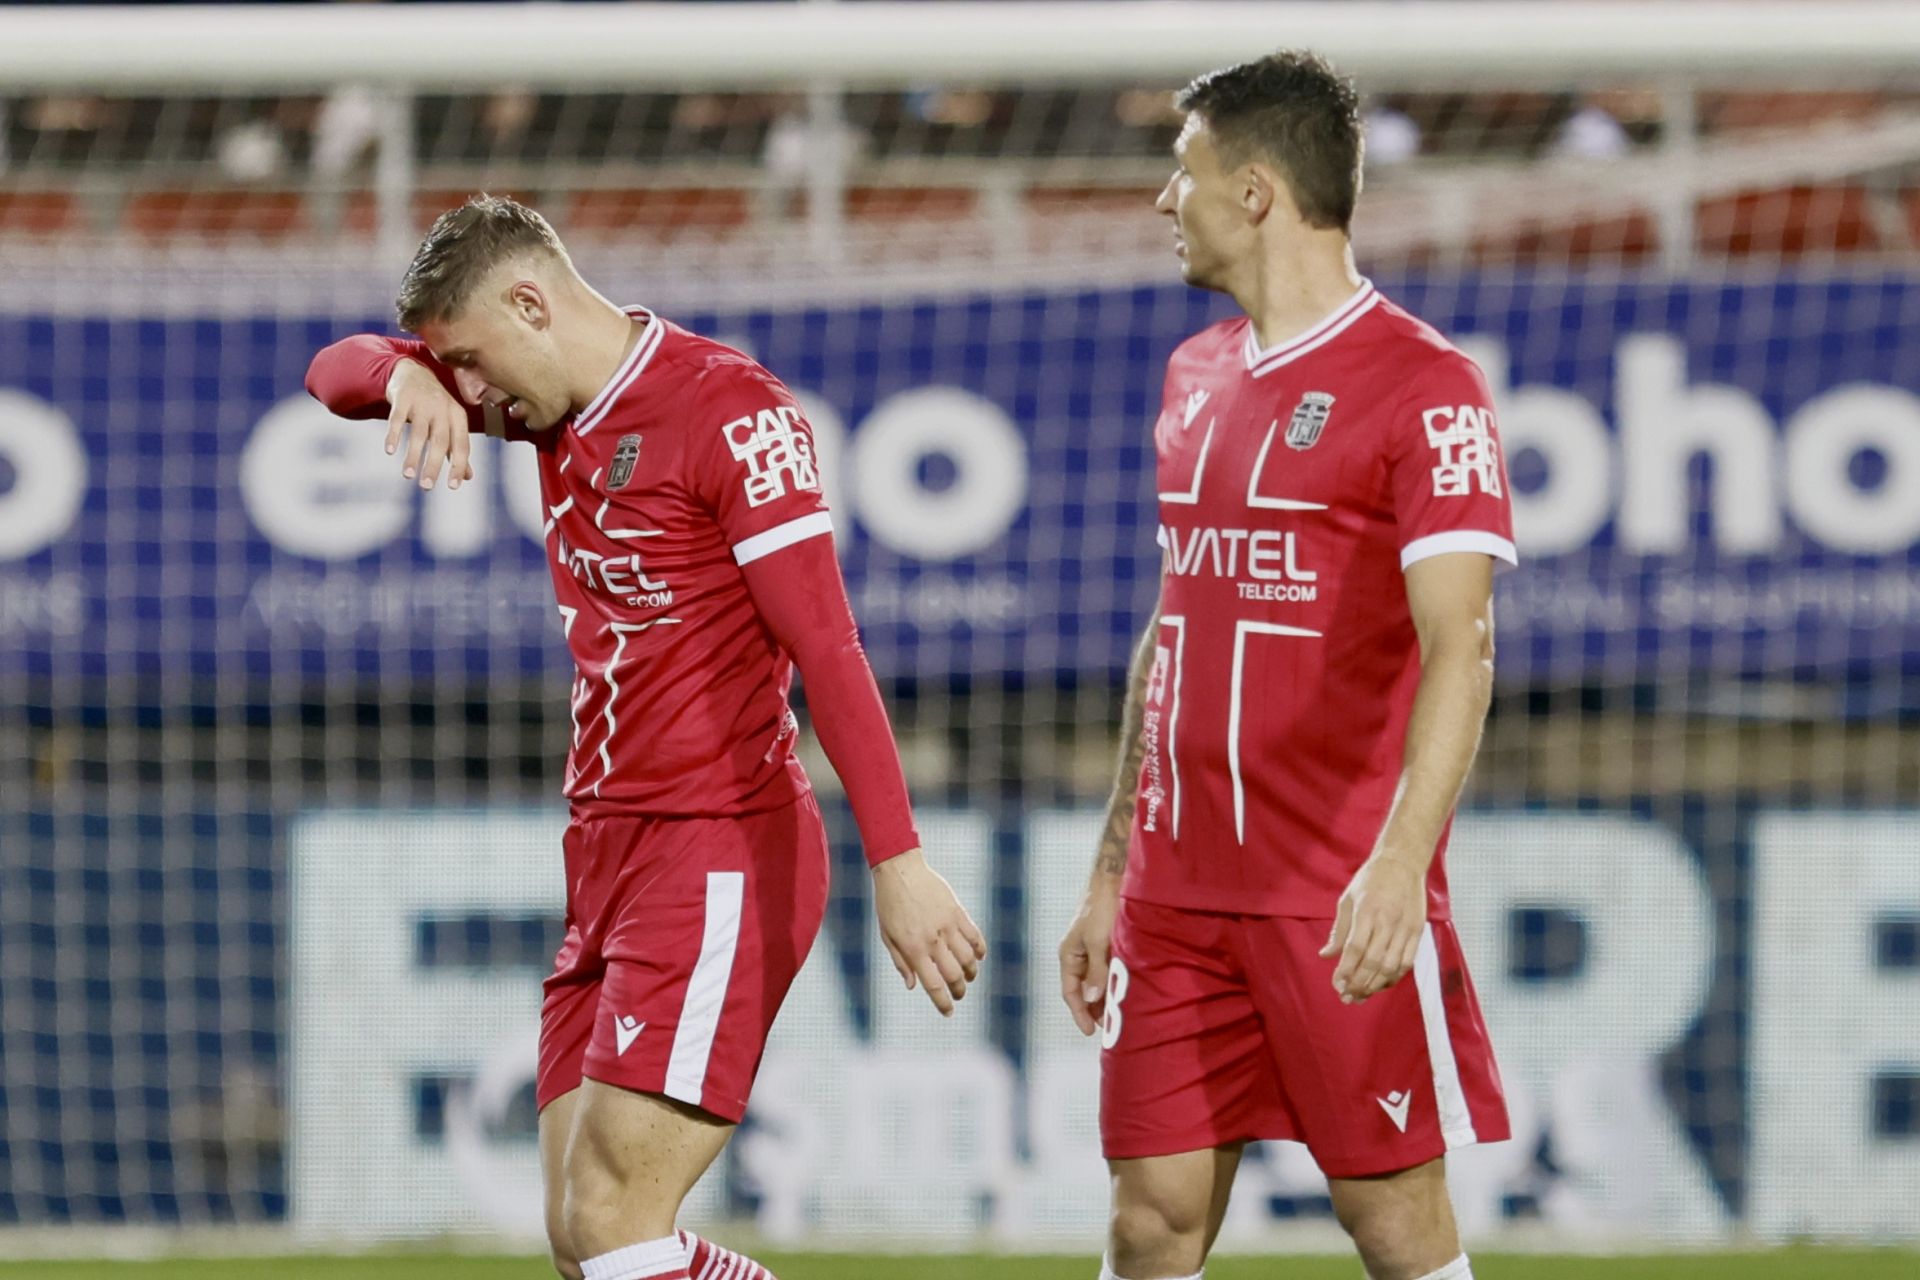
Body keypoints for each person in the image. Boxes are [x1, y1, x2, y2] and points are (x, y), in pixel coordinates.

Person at [305, 195, 986, 1280]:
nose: (468, 395)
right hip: (607, 853)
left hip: (718, 844)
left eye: (468, 360)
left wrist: (896, 860)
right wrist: (402, 374)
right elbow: (330, 370)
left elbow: (827, 643)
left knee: (620, 1218)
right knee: (585, 1238)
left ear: (531, 303)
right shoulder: (536, 403)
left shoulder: (729, 410)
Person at [1057, 51, 1515, 1280]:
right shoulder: (1190, 375)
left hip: (1333, 889)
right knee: (1149, 1224)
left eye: (1182, 168)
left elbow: (1460, 649)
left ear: (1254, 191)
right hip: (1174, 888)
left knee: (1395, 1228)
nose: (1166, 198)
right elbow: (1173, 628)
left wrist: (1401, 866)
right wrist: (1112, 872)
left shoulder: (1428, 386)